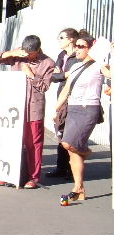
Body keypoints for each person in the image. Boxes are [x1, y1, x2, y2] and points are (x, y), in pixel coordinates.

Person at [0, 35, 55, 189]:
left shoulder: (48, 63)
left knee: (34, 143)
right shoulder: (17, 56)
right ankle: (7, 174)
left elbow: (44, 87)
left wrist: (30, 74)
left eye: (30, 53)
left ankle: (33, 177)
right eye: (24, 52)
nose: (26, 55)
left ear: (37, 50)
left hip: (33, 109)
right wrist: (11, 53)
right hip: (14, 108)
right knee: (11, 141)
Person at [56, 33, 109, 204]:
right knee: (71, 150)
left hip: (88, 109)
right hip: (73, 109)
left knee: (68, 144)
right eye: (76, 46)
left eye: (81, 46)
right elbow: (66, 90)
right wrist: (56, 109)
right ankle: (78, 188)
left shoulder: (99, 65)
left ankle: (86, 152)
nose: (77, 49)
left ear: (90, 48)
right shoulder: (76, 67)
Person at [47, 28, 80, 179]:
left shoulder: (78, 56)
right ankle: (61, 168)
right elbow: (53, 76)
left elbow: (77, 76)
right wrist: (64, 74)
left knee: (72, 135)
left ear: (71, 39)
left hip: (75, 98)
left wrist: (64, 75)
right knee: (60, 131)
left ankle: (74, 170)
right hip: (61, 95)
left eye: (61, 37)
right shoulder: (62, 55)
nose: (59, 40)